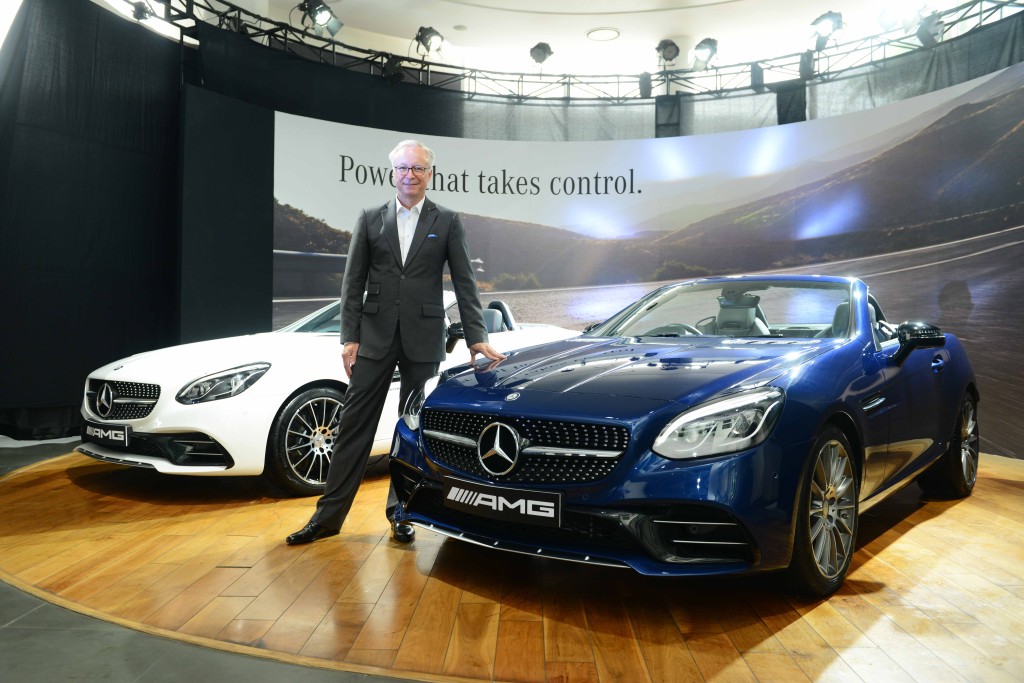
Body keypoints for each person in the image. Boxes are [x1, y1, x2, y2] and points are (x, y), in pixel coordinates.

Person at [286, 139, 505, 546]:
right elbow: (352, 284)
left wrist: (477, 338)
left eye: (418, 169)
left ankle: (401, 513)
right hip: (374, 337)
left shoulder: (448, 220)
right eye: (404, 168)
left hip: (424, 337)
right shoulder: (370, 218)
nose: (410, 175)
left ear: (430, 175)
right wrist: (349, 337)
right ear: (393, 173)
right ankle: (327, 518)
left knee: (413, 428)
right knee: (353, 426)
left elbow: (465, 282)